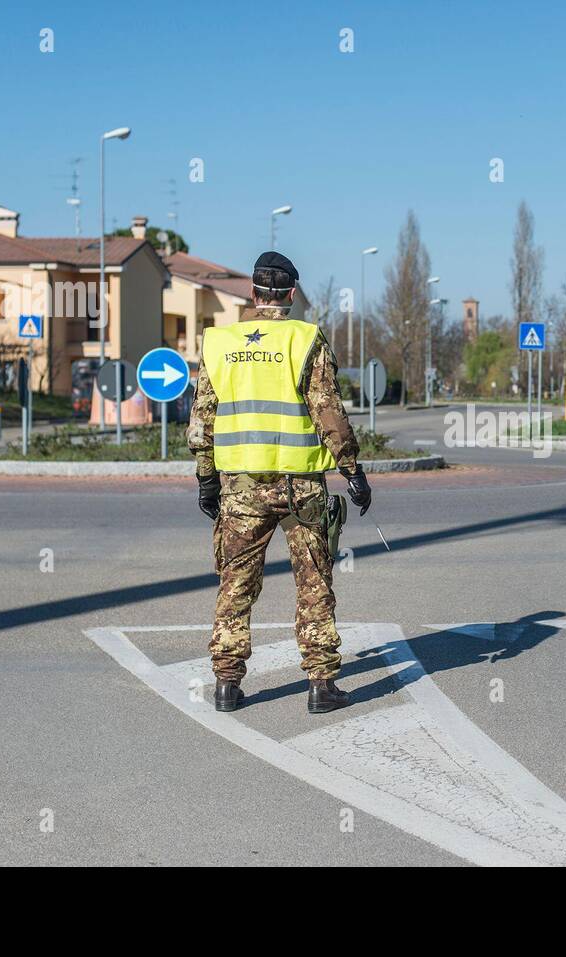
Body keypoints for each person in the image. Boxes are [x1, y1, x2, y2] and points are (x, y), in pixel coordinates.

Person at [187, 252, 372, 714]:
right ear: (291, 295)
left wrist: (206, 480)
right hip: (300, 487)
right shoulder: (304, 339)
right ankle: (320, 684)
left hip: (241, 488)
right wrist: (353, 471)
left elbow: (201, 423)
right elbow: (328, 413)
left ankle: (227, 685)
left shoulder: (220, 343)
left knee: (235, 583)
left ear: (253, 294)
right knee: (313, 582)